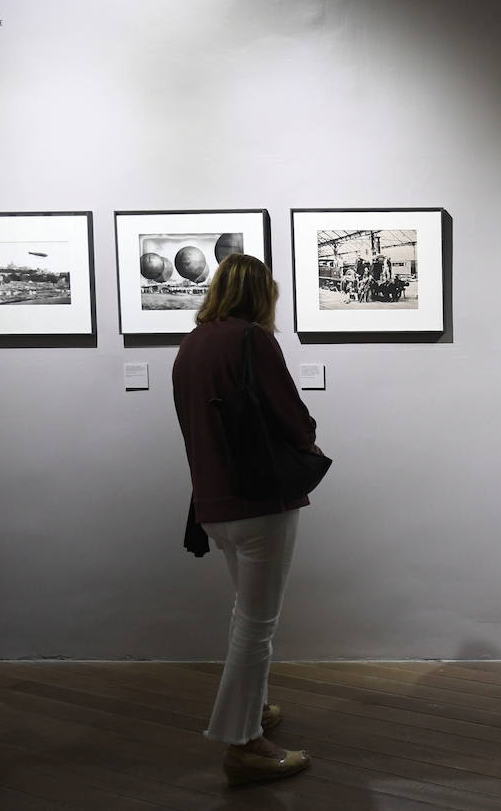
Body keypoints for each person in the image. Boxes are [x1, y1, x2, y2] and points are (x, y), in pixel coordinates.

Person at [172, 253, 319, 788]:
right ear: (261, 294)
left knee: (247, 618)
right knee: (256, 626)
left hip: (212, 502)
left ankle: (250, 712)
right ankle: (244, 744)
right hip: (260, 502)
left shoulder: (192, 344)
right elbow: (292, 417)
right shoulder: (252, 340)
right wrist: (308, 435)